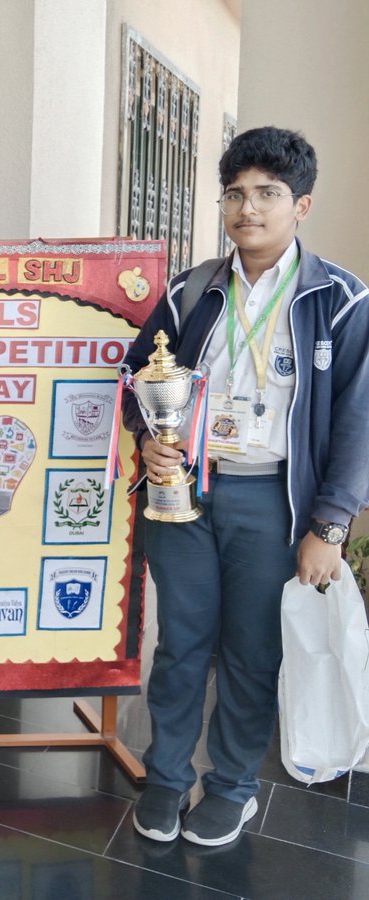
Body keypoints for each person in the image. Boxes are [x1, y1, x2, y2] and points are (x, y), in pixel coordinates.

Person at [122, 126, 369, 847]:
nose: (247, 208)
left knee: (254, 651)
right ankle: (167, 777)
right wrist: (148, 441)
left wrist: (329, 527)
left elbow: (358, 421)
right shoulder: (191, 290)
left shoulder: (342, 301)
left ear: (302, 206)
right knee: (181, 645)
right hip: (187, 497)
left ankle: (231, 786)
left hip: (276, 501)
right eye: (234, 193)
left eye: (267, 193)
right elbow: (140, 378)